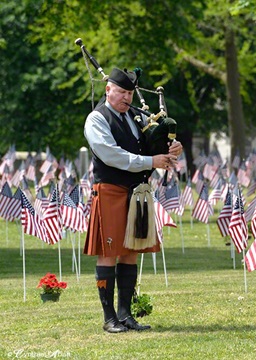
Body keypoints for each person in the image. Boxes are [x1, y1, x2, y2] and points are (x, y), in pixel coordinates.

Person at [83, 68, 183, 333]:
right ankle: (109, 318)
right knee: (109, 253)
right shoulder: (97, 119)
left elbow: (157, 141)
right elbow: (111, 155)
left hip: (137, 191)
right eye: (122, 92)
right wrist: (151, 161)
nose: (127, 98)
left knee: (130, 252)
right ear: (108, 90)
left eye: (130, 93)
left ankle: (126, 315)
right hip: (110, 191)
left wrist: (173, 147)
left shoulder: (137, 116)